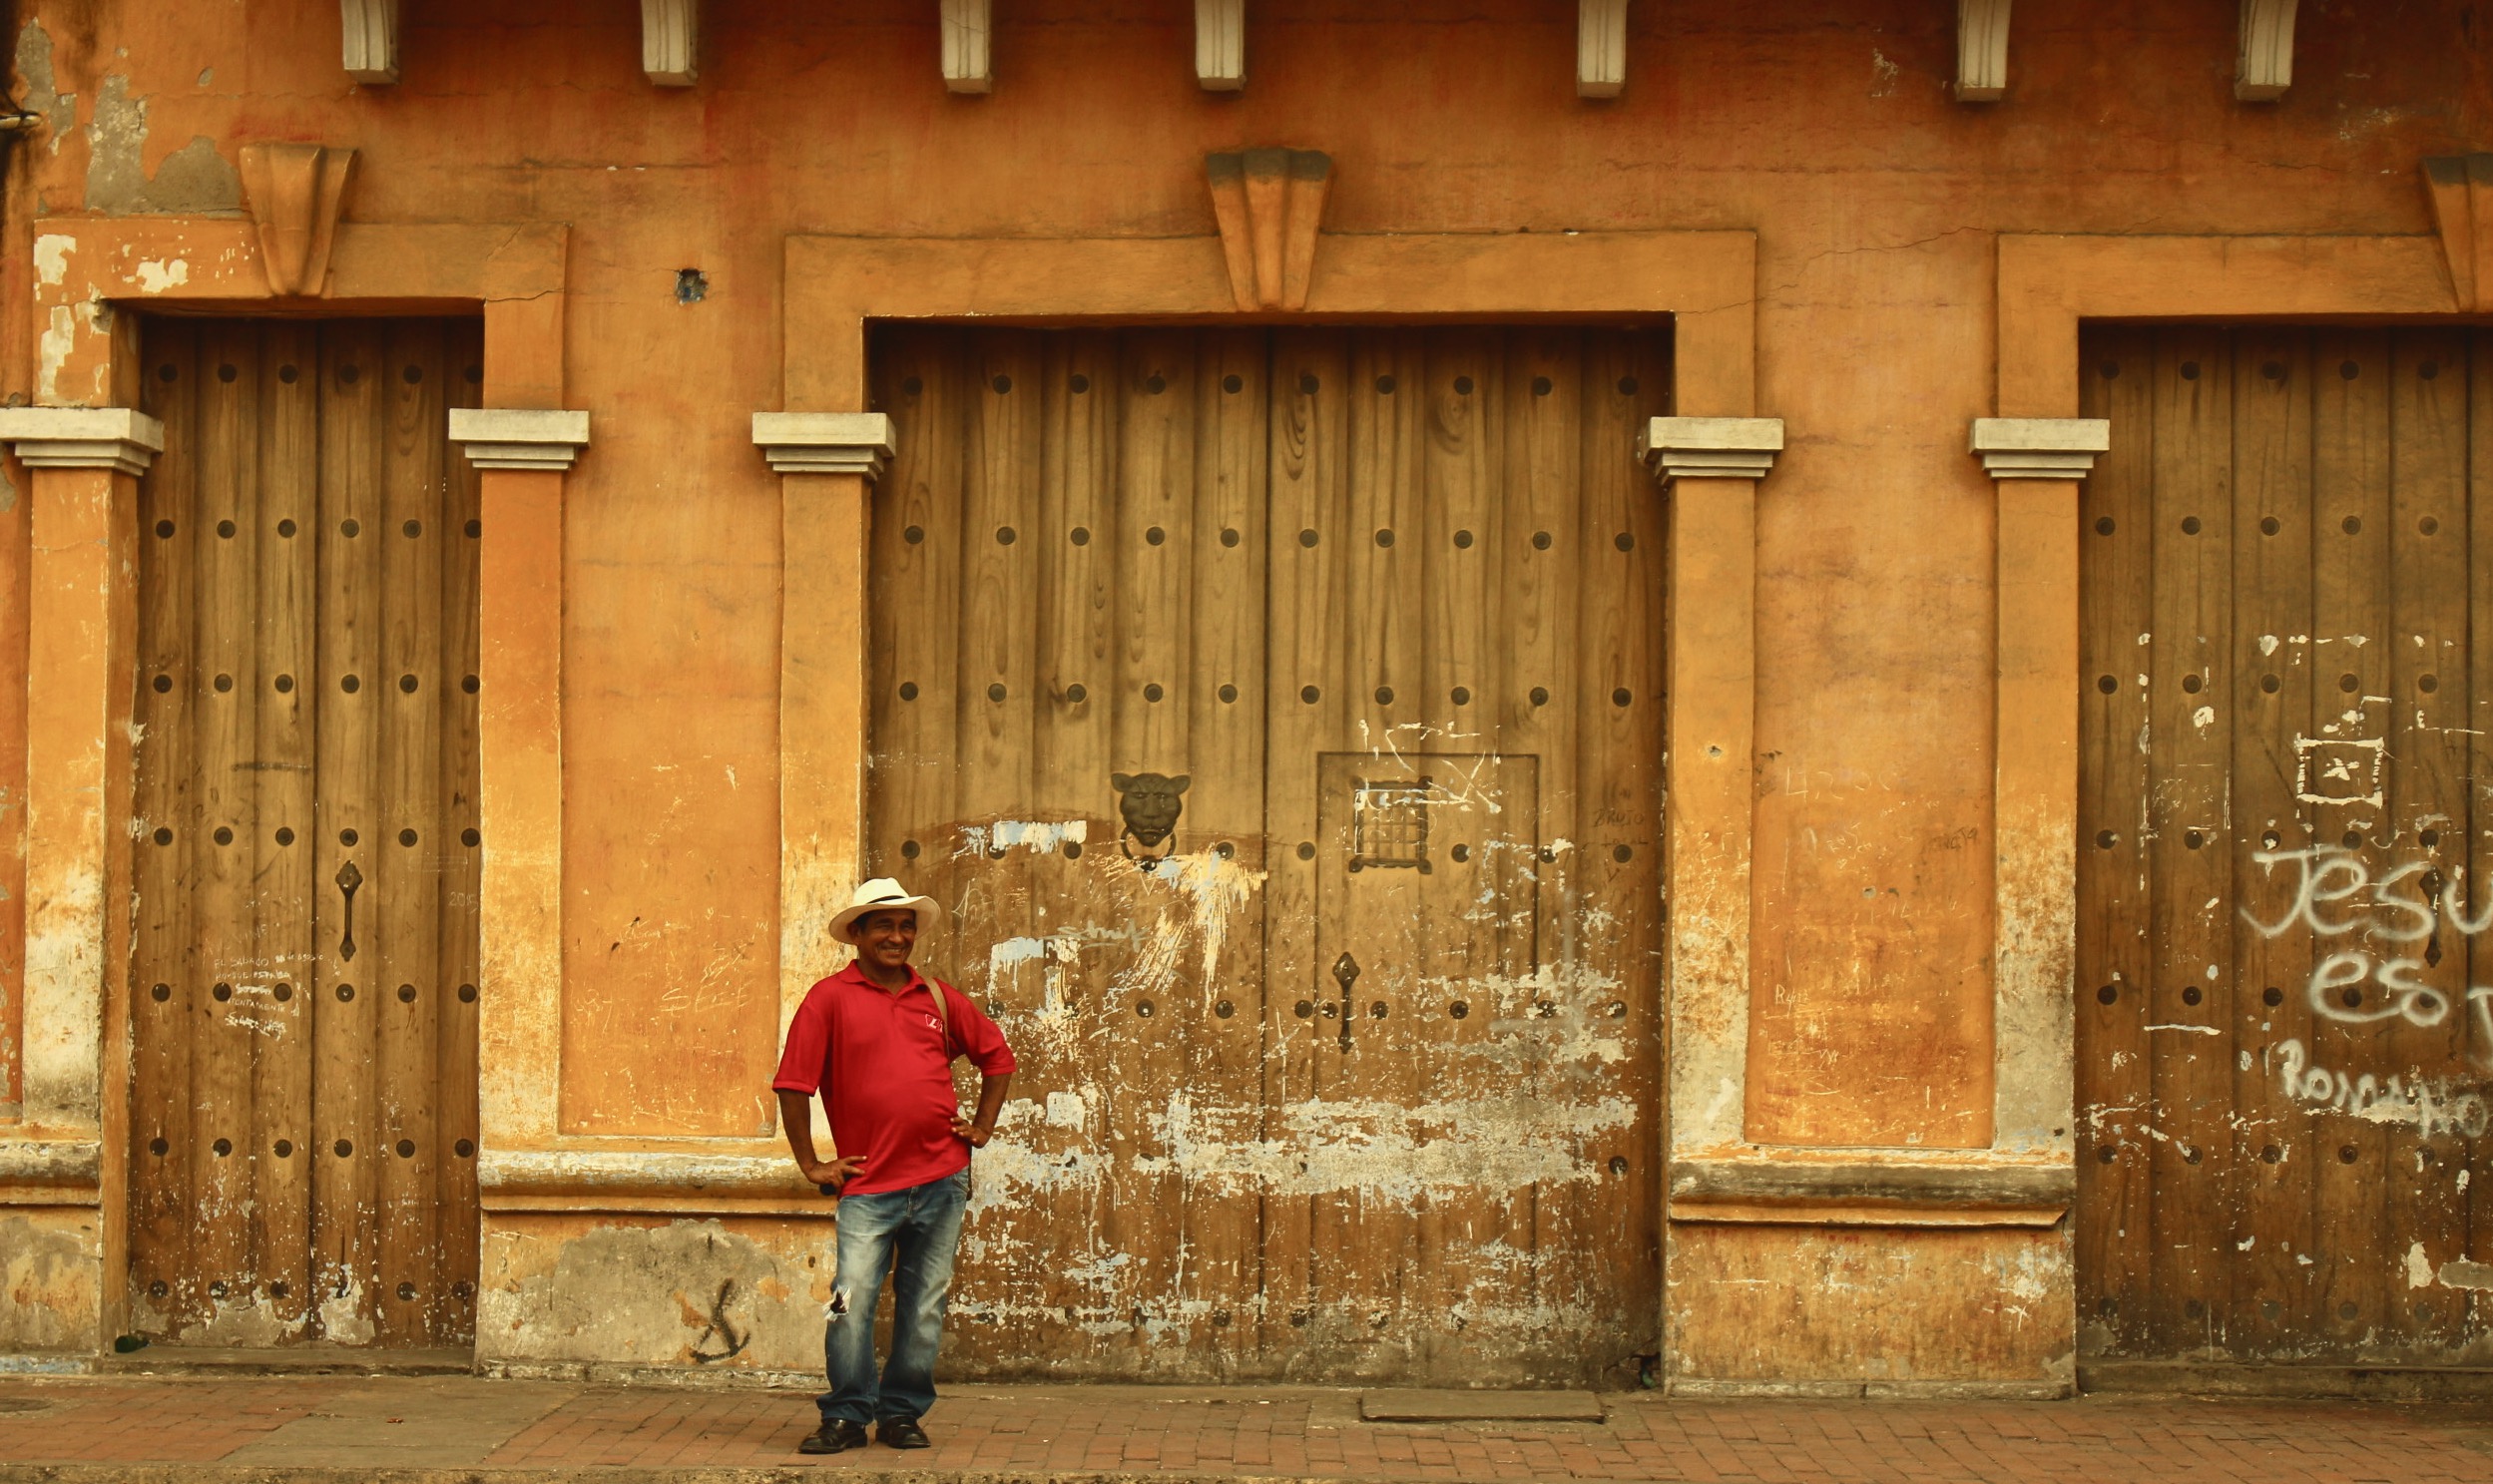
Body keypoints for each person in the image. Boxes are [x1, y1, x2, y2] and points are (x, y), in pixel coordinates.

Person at [772, 878, 1016, 1455]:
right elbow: (793, 1084)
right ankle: (846, 1416)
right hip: (868, 1186)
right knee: (850, 1302)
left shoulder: (936, 997)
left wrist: (982, 1128)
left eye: (906, 926)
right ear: (857, 933)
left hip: (942, 1180)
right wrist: (811, 1164)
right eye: (884, 925)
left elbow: (997, 1058)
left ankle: (902, 1414)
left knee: (924, 1305)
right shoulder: (828, 999)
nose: (898, 937)